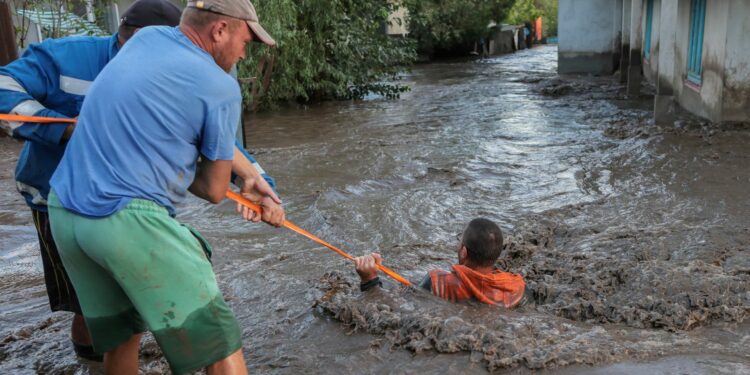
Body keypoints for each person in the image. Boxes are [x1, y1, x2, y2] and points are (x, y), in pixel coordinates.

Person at [47, 0, 280, 372]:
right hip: (124, 220)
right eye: (245, 41)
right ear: (220, 30)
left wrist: (250, 173)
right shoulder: (220, 86)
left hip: (65, 213)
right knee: (219, 342)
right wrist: (244, 184)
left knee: (123, 336)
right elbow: (214, 189)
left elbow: (154, 115)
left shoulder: (146, 38)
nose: (244, 53)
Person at [0, 0, 183, 360]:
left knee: (134, 295)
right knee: (87, 302)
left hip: (131, 203)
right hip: (55, 198)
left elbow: (215, 140)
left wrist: (257, 180)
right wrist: (64, 129)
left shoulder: (174, 73)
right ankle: (91, 363)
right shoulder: (66, 57)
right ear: (129, 38)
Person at [354, 218, 526, 307]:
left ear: (464, 252)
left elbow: (393, 306)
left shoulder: (437, 282)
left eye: (460, 241)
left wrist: (370, 280)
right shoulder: (516, 286)